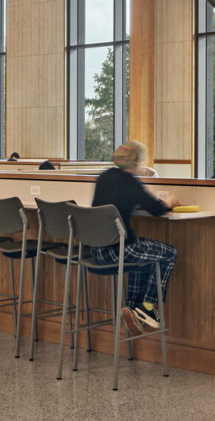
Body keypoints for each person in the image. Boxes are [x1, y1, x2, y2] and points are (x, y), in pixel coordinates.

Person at [91, 141, 179, 335]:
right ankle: (146, 307)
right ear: (137, 162)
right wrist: (169, 202)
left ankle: (132, 309)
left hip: (97, 250)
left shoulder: (104, 177)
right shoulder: (130, 181)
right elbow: (156, 209)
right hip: (119, 250)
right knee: (169, 253)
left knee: (145, 257)